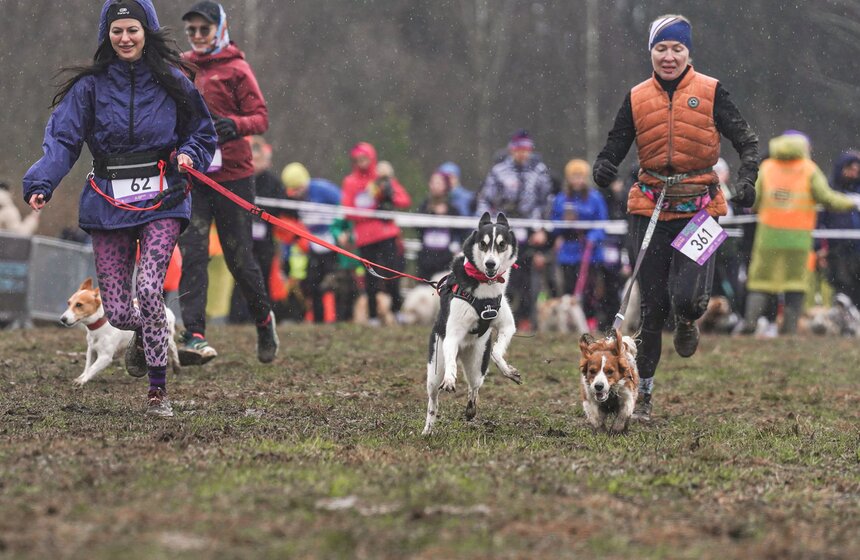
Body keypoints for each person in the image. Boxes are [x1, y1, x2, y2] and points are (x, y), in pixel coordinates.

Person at [22, 0, 216, 416]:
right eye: (117, 31)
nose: (125, 38)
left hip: (165, 197)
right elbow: (63, 140)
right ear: (106, 36)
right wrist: (42, 180)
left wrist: (189, 155)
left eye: (132, 29)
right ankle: (148, 337)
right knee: (122, 311)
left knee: (149, 288)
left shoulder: (173, 80)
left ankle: (158, 394)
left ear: (146, 31)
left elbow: (202, 131)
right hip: (109, 201)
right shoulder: (89, 88)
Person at [592, 14, 759, 421]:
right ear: (651, 52)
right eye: (661, 48)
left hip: (702, 209)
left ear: (688, 52)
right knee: (651, 307)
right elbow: (616, 143)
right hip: (649, 208)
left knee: (686, 298)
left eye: (677, 49)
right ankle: (643, 395)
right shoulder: (636, 97)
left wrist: (748, 177)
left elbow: (747, 141)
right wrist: (604, 165)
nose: (669, 57)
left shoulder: (712, 91)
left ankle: (688, 319)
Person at [177, 1, 279, 365]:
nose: (198, 36)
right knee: (194, 253)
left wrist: (235, 125)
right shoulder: (183, 67)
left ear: (219, 29)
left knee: (239, 258)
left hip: (234, 177)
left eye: (204, 29)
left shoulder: (237, 68)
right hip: (196, 175)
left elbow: (261, 117)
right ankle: (194, 334)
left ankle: (264, 321)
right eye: (192, 31)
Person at [741, 132, 857, 335]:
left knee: (761, 281)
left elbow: (754, 200)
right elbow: (827, 198)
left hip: (768, 237)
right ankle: (789, 329)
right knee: (795, 283)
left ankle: (750, 323)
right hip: (798, 238)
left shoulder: (767, 167)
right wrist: (852, 202)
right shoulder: (809, 169)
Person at [477, 129, 553, 332]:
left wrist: (542, 228)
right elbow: (486, 199)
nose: (522, 153)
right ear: (512, 150)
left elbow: (546, 202)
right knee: (501, 273)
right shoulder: (499, 171)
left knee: (528, 277)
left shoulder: (539, 171)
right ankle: (497, 315)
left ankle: (525, 317)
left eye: (526, 149)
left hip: (529, 229)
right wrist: (484, 225)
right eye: (519, 149)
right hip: (503, 228)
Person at [341, 143, 412, 325]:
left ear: (372, 159)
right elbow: (348, 211)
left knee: (392, 272)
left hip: (387, 233)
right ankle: (372, 315)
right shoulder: (350, 182)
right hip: (365, 237)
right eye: (358, 159)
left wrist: (387, 196)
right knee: (370, 277)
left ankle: (396, 310)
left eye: (364, 158)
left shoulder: (381, 178)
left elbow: (404, 200)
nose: (361, 162)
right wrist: (372, 210)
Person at [228, 135, 288, 323]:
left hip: (265, 240)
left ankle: (263, 317)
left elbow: (281, 208)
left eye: (260, 157)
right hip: (243, 237)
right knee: (242, 275)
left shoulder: (273, 182)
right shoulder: (240, 179)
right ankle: (237, 317)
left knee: (263, 276)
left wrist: (263, 213)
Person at [550, 159, 609, 327]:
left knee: (589, 289)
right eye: (574, 176)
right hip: (568, 251)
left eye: (580, 176)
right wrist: (562, 225)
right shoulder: (561, 199)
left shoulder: (595, 198)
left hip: (590, 252)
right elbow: (554, 223)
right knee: (569, 287)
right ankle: (570, 320)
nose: (577, 180)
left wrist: (593, 237)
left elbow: (602, 222)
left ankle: (590, 319)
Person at [281, 162, 342, 323]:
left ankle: (334, 318)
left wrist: (339, 229)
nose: (296, 194)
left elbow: (343, 204)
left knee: (330, 283)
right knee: (312, 285)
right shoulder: (290, 199)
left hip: (329, 242)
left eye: (298, 189)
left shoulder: (323, 189)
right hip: (308, 245)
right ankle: (316, 319)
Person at [818, 151, 860, 308]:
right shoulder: (830, 190)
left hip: (857, 248)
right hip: (837, 248)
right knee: (841, 285)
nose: (853, 173)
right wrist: (819, 247)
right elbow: (819, 220)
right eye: (850, 169)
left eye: (857, 170)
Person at [417, 171, 462, 279]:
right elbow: (418, 228)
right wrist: (432, 213)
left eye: (439, 183)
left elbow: (461, 231)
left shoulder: (452, 208)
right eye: (433, 182)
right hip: (426, 256)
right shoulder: (424, 205)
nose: (435, 186)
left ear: (446, 186)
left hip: (445, 257)